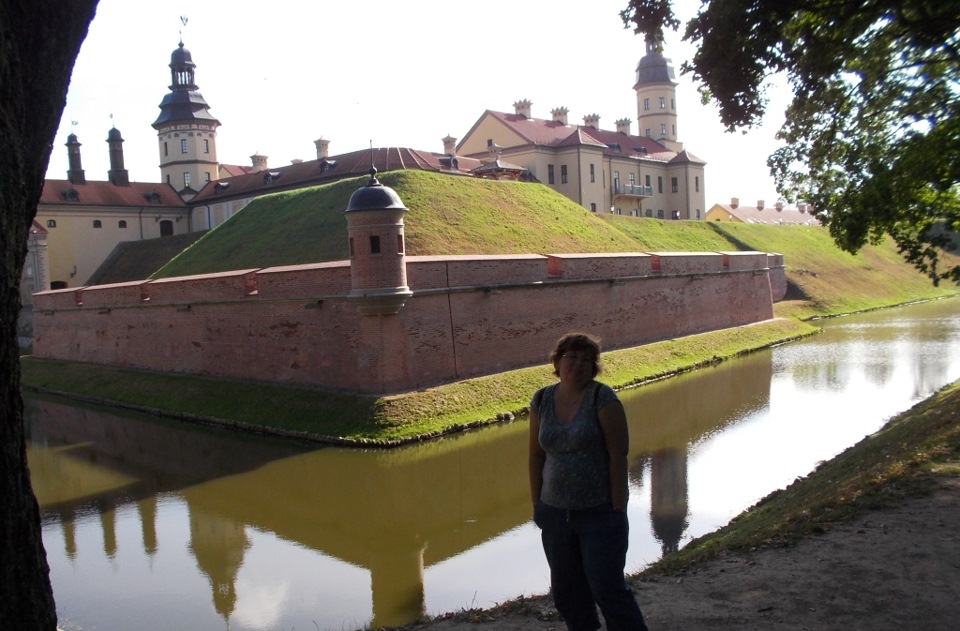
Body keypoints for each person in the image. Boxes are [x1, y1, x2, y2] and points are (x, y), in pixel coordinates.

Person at [529, 332, 649, 631]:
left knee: (607, 590)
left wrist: (617, 508)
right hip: (555, 515)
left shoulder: (602, 398)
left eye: (586, 359)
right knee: (568, 595)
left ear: (594, 367)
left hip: (598, 513)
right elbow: (535, 456)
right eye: (571, 357)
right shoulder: (542, 398)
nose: (578, 364)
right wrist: (537, 504)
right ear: (557, 361)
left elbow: (618, 455)